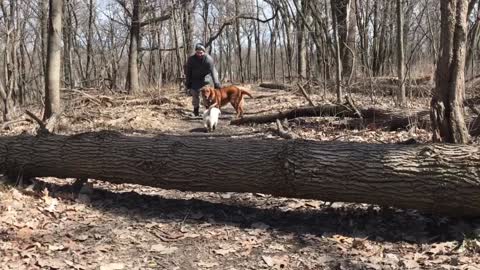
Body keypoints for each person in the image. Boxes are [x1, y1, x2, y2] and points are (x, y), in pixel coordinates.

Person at [184, 43, 221, 116]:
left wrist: (216, 82)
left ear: (204, 52)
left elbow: (213, 71)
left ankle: (208, 110)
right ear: (195, 52)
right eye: (198, 52)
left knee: (206, 96)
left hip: (205, 79)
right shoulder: (191, 60)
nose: (199, 54)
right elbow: (188, 72)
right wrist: (188, 83)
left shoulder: (209, 59)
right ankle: (196, 110)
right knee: (195, 95)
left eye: (201, 52)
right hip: (195, 79)